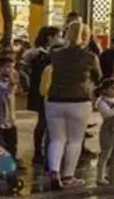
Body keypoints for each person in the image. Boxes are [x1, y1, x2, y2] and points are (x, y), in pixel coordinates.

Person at [43, 20, 102, 190]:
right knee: (75, 140)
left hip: (55, 100)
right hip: (79, 100)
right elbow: (99, 78)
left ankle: (54, 172)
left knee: (57, 139)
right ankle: (68, 176)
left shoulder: (55, 54)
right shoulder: (90, 57)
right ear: (86, 37)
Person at [21, 26, 58, 167]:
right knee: (43, 121)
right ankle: (39, 152)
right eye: (57, 36)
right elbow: (23, 68)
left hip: (41, 90)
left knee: (45, 121)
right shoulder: (38, 53)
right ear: (50, 37)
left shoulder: (35, 53)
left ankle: (41, 151)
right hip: (43, 90)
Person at [0, 55, 17, 161]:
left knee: (12, 146)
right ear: (0, 68)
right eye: (6, 67)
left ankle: (11, 171)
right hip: (0, 121)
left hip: (10, 120)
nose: (9, 70)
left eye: (11, 67)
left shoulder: (11, 82)